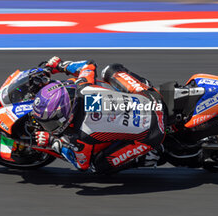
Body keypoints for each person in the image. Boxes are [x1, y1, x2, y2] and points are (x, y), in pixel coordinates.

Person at [32, 56, 166, 174]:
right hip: (151, 98)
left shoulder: (81, 134)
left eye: (51, 122)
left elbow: (82, 164)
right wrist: (61, 65)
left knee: (97, 166)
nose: (49, 126)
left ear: (66, 114)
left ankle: (148, 156)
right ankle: (146, 85)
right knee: (110, 69)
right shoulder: (84, 88)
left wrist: (53, 141)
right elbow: (88, 65)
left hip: (154, 132)